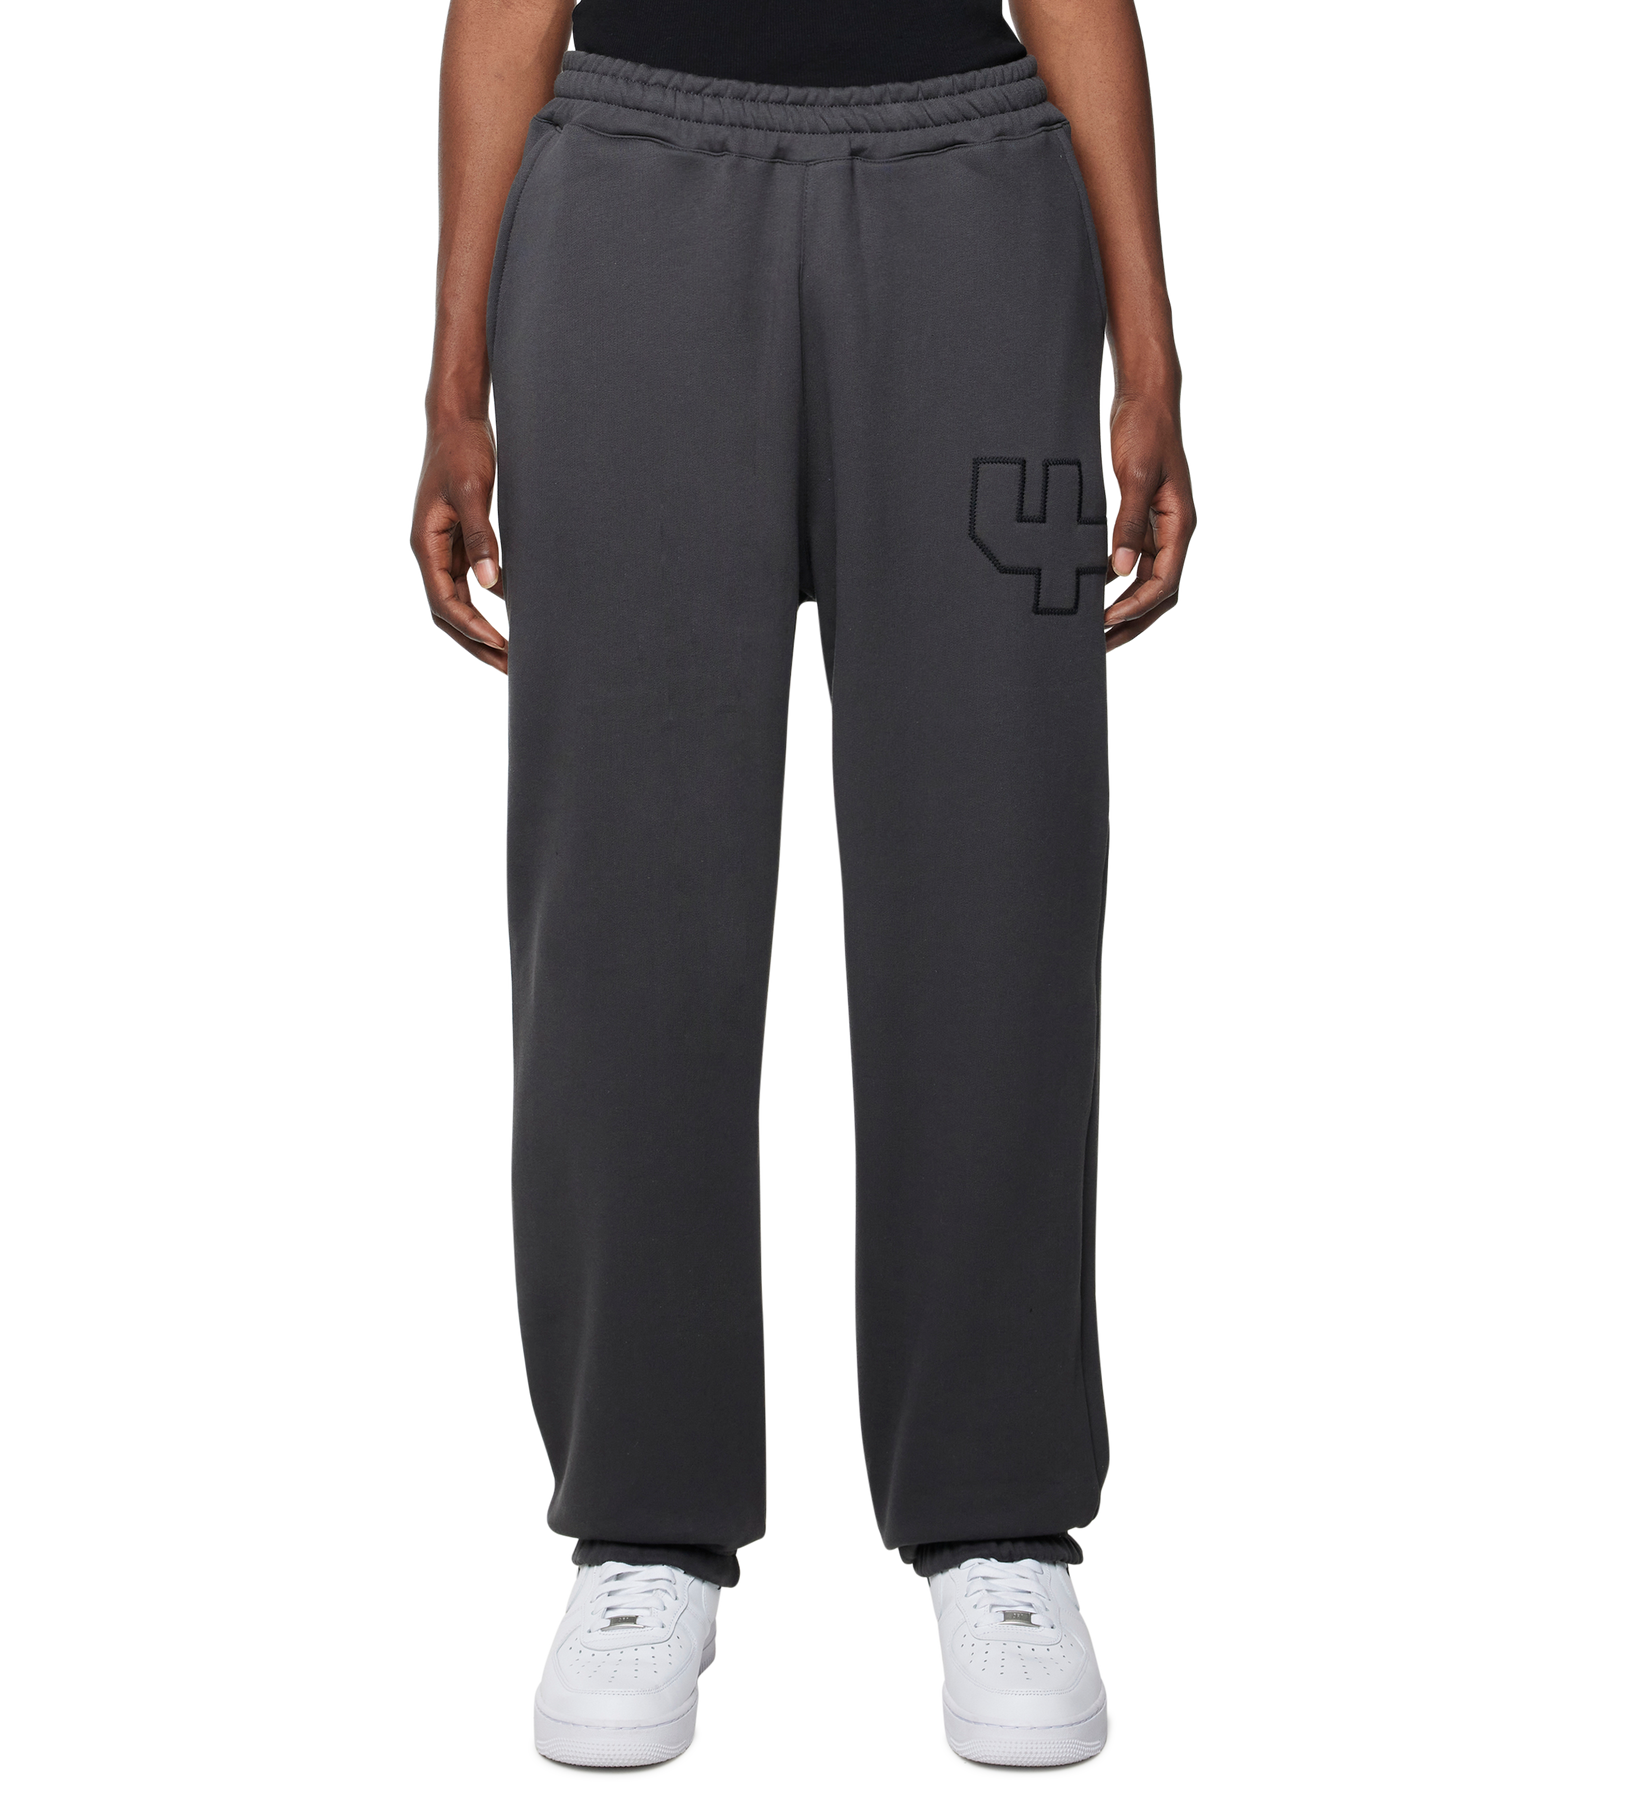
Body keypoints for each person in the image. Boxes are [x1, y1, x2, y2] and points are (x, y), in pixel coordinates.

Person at [408, 0, 1196, 1779]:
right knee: (621, 879)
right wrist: (453, 373)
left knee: (1004, 852)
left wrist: (1149, 355)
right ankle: (637, 1524)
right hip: (623, 196)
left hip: (986, 210)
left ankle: (998, 1522)